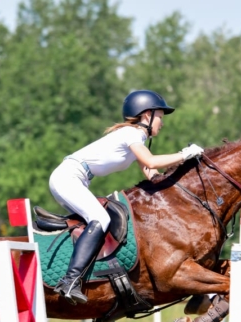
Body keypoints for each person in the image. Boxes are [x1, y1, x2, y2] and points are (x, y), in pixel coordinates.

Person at [49, 90, 204, 304]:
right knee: (101, 219)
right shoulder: (132, 134)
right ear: (146, 115)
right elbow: (151, 162)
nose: (162, 122)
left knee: (95, 223)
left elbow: (151, 174)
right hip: (68, 177)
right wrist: (185, 154)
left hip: (75, 178)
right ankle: (70, 281)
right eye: (160, 116)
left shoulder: (136, 138)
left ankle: (85, 276)